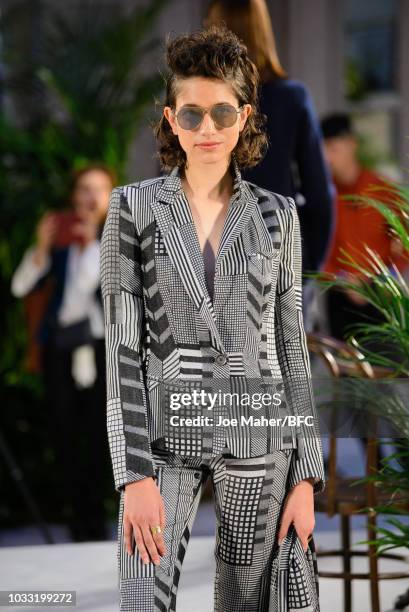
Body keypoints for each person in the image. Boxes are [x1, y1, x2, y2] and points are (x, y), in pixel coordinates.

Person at [101, 25, 325, 611]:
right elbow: (123, 349)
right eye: (192, 114)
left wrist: (305, 474)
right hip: (163, 437)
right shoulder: (132, 208)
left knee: (245, 603)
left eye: (222, 113)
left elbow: (289, 344)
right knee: (140, 597)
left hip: (259, 433)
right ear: (172, 119)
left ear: (245, 117)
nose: (208, 129)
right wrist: (133, 476)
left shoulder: (278, 216)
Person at [204, 0, 335, 321]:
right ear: (265, 30)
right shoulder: (291, 98)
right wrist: (307, 271)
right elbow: (320, 195)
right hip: (279, 265)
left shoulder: (195, 99)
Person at [11, 164, 115, 542]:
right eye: (84, 189)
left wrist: (94, 245)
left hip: (100, 351)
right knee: (65, 435)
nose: (89, 198)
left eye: (98, 191)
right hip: (60, 351)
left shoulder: (116, 239)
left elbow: (105, 287)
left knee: (99, 436)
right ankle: (76, 522)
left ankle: (97, 519)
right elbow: (21, 286)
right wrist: (41, 246)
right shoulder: (57, 239)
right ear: (74, 195)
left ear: (108, 198)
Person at [320, 113, 407, 343]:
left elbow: (405, 239)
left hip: (381, 295)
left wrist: (386, 277)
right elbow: (315, 247)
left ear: (352, 144)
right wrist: (340, 277)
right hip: (340, 296)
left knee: (386, 370)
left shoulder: (383, 190)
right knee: (345, 372)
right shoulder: (322, 197)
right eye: (323, 151)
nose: (327, 158)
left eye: (333, 148)